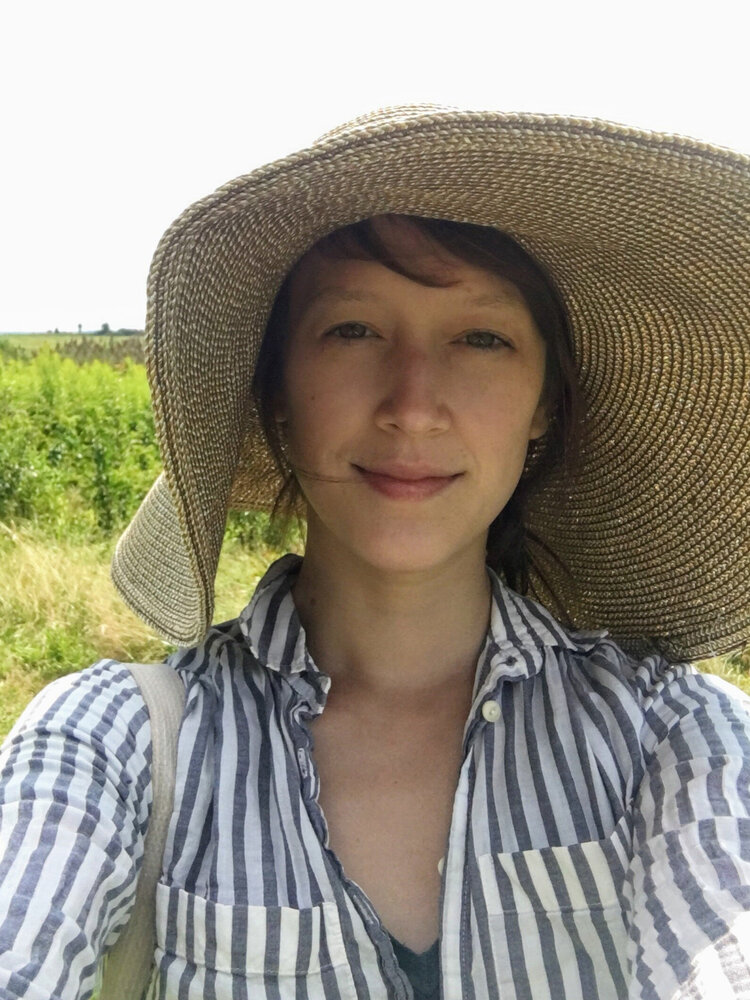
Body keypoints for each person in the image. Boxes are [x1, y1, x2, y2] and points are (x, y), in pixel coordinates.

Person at [0, 106, 749, 1000]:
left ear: (545, 403)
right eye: (352, 330)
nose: (413, 405)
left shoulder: (677, 740)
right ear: (279, 390)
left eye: (482, 337)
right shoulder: (117, 743)